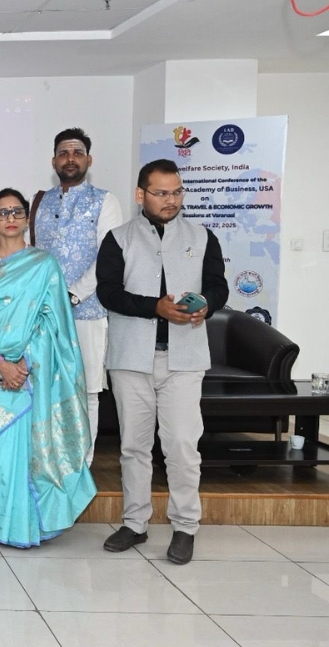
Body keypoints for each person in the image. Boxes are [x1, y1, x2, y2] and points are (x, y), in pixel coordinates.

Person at [97, 159, 228, 565]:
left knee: (182, 446)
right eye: (161, 193)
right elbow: (108, 293)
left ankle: (185, 526)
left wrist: (207, 305)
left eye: (177, 192)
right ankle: (135, 523)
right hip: (130, 359)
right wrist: (154, 307)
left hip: (184, 359)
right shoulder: (118, 239)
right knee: (134, 447)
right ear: (141, 195)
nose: (171, 200)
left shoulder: (202, 237)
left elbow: (218, 286)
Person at [0, 188, 96, 548]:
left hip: (33, 368)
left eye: (17, 212)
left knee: (35, 447)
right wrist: (0, 363)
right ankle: (4, 525)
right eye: (2, 213)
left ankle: (36, 524)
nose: (10, 219)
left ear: (26, 218)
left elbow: (54, 323)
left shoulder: (44, 264)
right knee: (2, 449)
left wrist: (24, 362)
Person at [32, 128, 124, 465]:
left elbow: (108, 258)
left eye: (77, 152)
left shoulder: (105, 200)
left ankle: (82, 463)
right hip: (44, 313)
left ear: (89, 159)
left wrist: (71, 295)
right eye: (63, 153)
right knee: (47, 386)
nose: (70, 158)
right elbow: (34, 256)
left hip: (88, 311)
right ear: (53, 161)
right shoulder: (40, 202)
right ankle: (51, 459)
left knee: (87, 390)